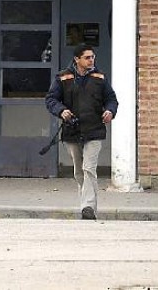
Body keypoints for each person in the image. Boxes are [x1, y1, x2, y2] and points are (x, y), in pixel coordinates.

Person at [45, 43, 118, 220]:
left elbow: (111, 99)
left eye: (93, 57)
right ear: (77, 59)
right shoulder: (63, 77)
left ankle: (88, 207)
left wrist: (110, 111)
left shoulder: (100, 78)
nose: (91, 60)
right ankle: (86, 201)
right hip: (72, 129)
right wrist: (61, 110)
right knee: (79, 171)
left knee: (89, 168)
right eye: (87, 57)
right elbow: (51, 99)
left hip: (94, 129)